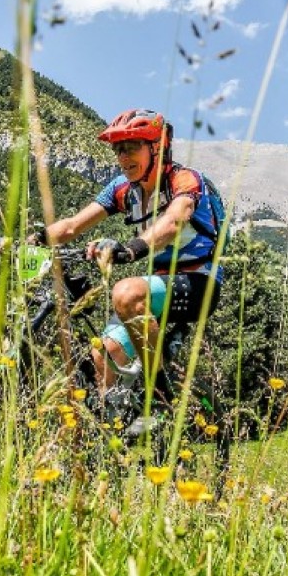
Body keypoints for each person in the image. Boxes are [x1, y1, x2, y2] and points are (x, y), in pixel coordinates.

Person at [42, 108, 224, 394]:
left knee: (126, 293)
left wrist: (130, 250)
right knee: (101, 358)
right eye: (118, 150)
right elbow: (71, 226)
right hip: (155, 285)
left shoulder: (184, 180)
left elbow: (174, 221)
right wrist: (30, 240)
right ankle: (117, 430)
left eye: (131, 147)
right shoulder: (123, 189)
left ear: (157, 147)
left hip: (199, 281)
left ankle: (159, 392)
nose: (123, 157)